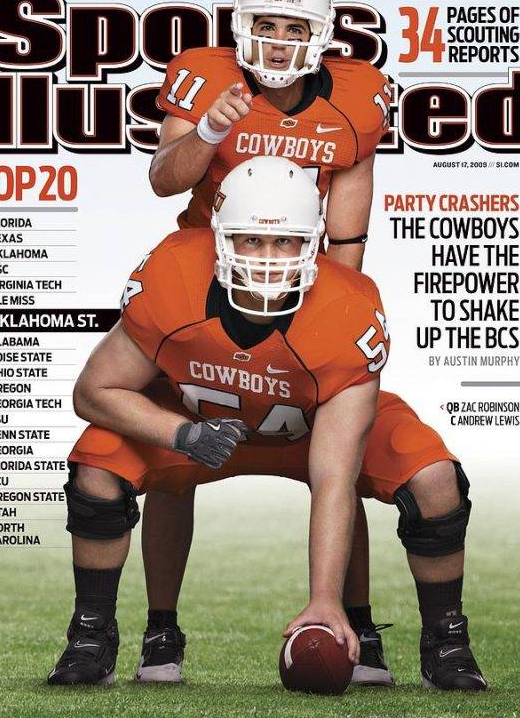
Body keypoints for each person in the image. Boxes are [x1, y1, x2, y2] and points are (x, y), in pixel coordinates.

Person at [47, 158, 486, 693]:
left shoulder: (348, 307)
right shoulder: (171, 275)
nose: (268, 260)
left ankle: (445, 641)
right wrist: (183, 436)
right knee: (97, 469)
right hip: (200, 426)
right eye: (251, 241)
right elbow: (93, 391)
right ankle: (94, 633)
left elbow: (333, 477)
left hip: (307, 432)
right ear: (218, 238)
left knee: (437, 481)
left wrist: (323, 596)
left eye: (285, 243)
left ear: (315, 243)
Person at [149, 0, 396, 686]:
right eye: (266, 24)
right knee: (170, 460)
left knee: (339, 463)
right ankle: (160, 632)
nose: (281, 40)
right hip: (202, 268)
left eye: (296, 27)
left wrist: (338, 317)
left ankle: (355, 620)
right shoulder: (204, 75)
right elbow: (164, 177)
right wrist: (206, 129)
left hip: (306, 278)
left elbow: (349, 209)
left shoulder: (356, 95)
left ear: (319, 34)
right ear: (240, 26)